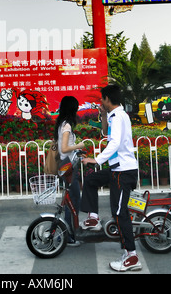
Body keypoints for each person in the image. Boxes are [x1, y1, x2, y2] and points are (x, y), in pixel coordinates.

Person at [81, 84, 141, 272]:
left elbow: (114, 142)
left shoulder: (119, 116)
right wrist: (104, 116)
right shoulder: (116, 115)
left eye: (102, 100)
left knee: (119, 213)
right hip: (117, 169)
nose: (101, 102)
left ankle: (131, 256)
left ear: (107, 99)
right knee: (91, 180)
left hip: (123, 172)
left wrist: (96, 160)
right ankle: (93, 218)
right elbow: (106, 135)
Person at [54, 95, 85, 247]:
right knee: (72, 201)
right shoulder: (67, 125)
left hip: (66, 165)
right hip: (69, 168)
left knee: (70, 200)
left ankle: (68, 233)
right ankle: (68, 235)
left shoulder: (62, 123)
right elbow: (65, 148)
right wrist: (78, 146)